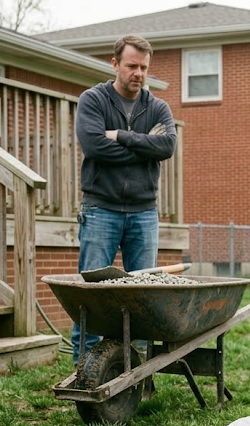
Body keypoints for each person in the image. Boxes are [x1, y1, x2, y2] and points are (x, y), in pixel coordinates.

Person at [72, 35, 177, 363]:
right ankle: (85, 371)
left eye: (144, 67)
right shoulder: (93, 100)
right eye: (132, 66)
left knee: (143, 295)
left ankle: (140, 374)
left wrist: (122, 136)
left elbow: (168, 147)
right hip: (101, 208)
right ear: (115, 63)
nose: (139, 73)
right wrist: (144, 147)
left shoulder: (157, 107)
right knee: (92, 292)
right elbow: (94, 147)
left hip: (144, 212)